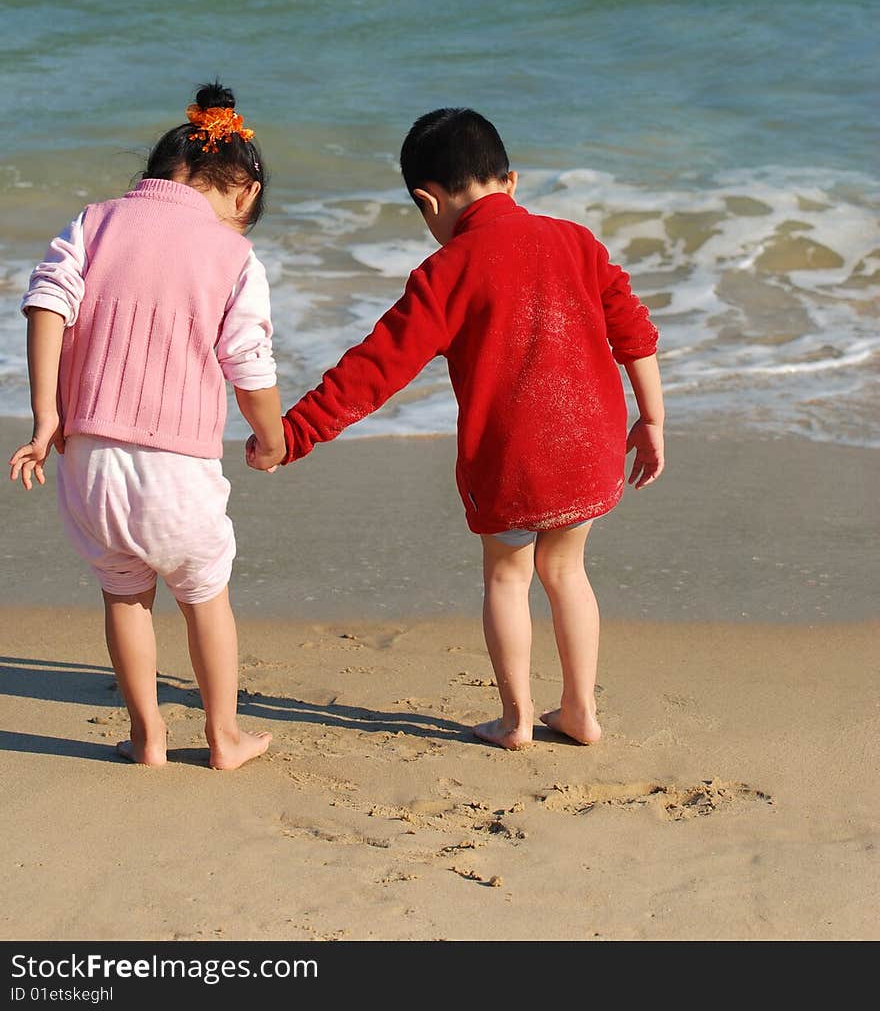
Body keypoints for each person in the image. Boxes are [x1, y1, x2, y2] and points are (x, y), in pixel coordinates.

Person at [249, 107, 665, 750]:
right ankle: (581, 710)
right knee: (568, 572)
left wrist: (294, 433)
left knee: (507, 576)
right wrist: (654, 418)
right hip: (590, 443)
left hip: (510, 457)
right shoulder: (576, 241)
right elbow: (633, 332)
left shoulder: (447, 271)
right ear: (512, 180)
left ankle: (517, 719)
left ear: (427, 199)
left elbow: (373, 370)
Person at [9, 82, 286, 770]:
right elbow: (247, 362)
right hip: (178, 468)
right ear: (244, 193)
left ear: (155, 172)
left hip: (90, 457)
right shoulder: (233, 255)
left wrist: (47, 415)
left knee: (125, 596)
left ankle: (147, 738)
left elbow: (47, 301)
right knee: (203, 596)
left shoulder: (95, 221)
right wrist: (273, 437)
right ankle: (222, 737)